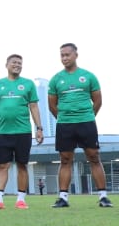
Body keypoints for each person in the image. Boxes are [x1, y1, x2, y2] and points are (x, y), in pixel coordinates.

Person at [47, 43, 110, 208]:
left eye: (67, 54)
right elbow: (52, 106)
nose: (65, 58)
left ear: (76, 55)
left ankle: (103, 197)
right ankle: (63, 197)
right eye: (62, 55)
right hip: (65, 125)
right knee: (65, 159)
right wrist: (64, 117)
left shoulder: (88, 76)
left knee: (94, 157)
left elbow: (98, 101)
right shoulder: (56, 79)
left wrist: (88, 116)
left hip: (86, 123)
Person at [0, 54, 44, 210]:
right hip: (3, 132)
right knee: (2, 165)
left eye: (20, 63)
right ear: (6, 65)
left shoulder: (28, 84)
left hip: (23, 132)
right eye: (14, 62)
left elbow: (34, 107)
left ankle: (21, 199)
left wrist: (39, 128)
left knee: (22, 165)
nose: (17, 65)